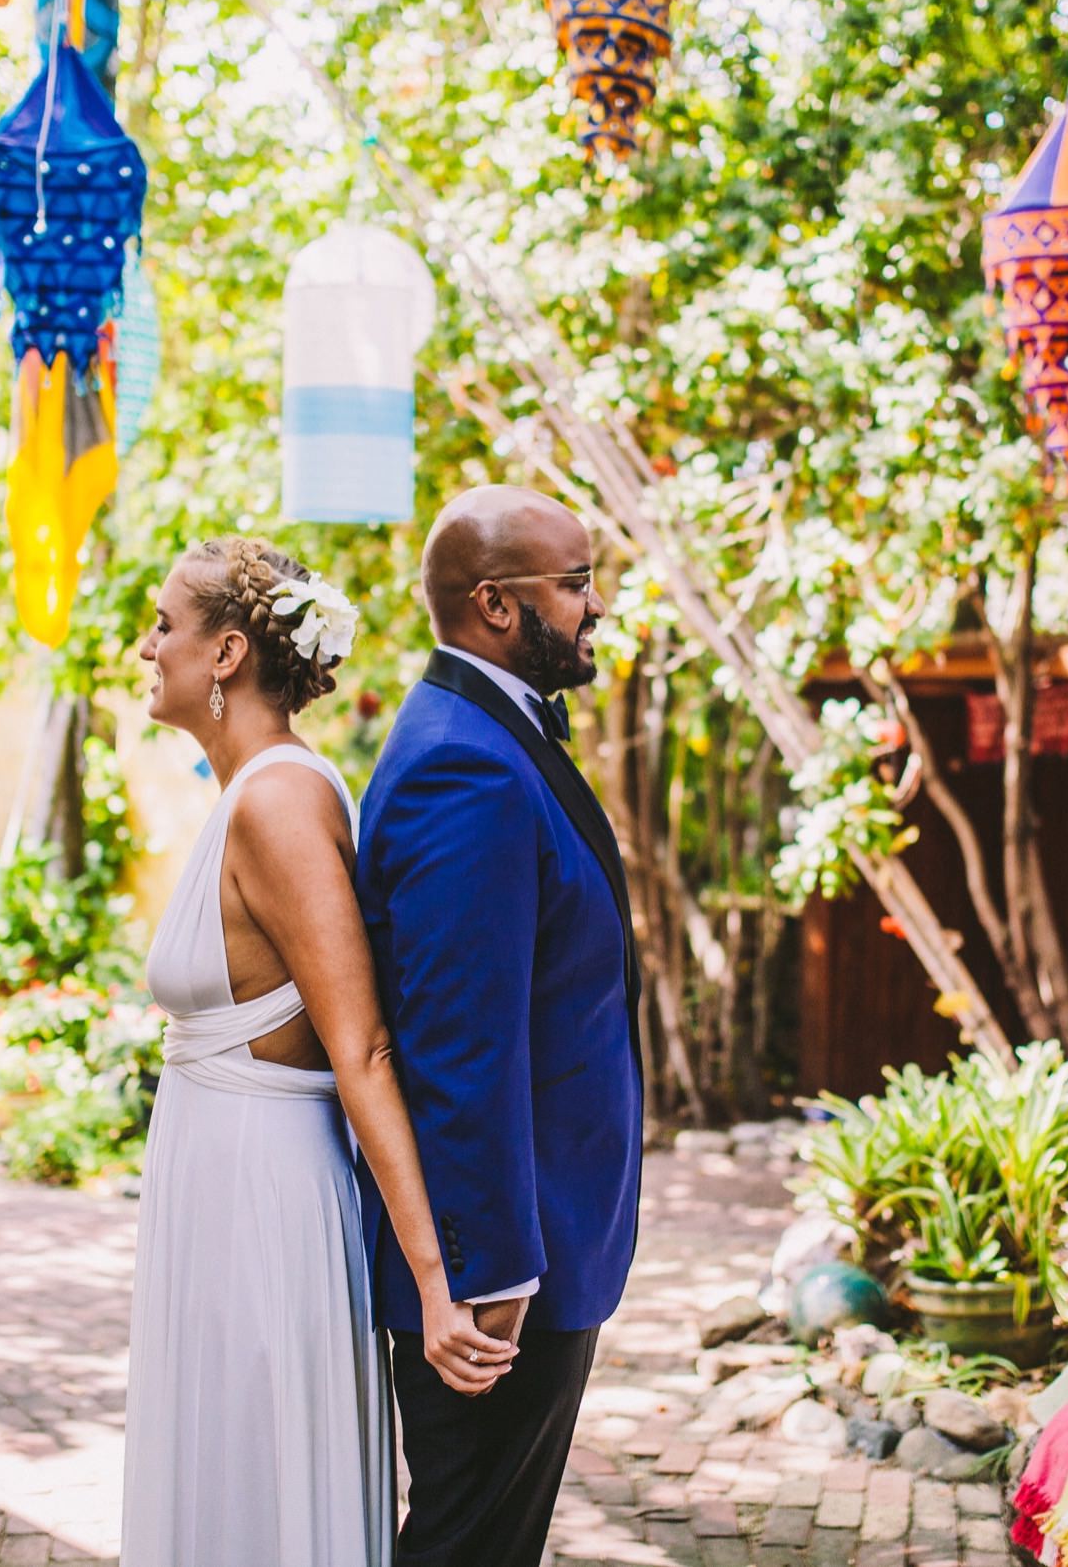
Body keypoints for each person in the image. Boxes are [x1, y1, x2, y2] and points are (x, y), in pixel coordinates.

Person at [121, 536, 516, 1567]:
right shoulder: (246, 793)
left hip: (265, 1196)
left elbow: (365, 1048)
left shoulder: (282, 800)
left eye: (165, 623)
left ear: (227, 653)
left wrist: (433, 1279)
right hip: (213, 1182)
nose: (144, 645)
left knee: (264, 1478)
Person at [357, 486, 644, 1567]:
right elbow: (457, 1048)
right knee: (468, 1546)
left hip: (544, 1242)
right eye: (573, 584)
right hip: (500, 1280)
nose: (594, 605)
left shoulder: (488, 732)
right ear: (492, 604)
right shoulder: (460, 764)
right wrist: (491, 1276)